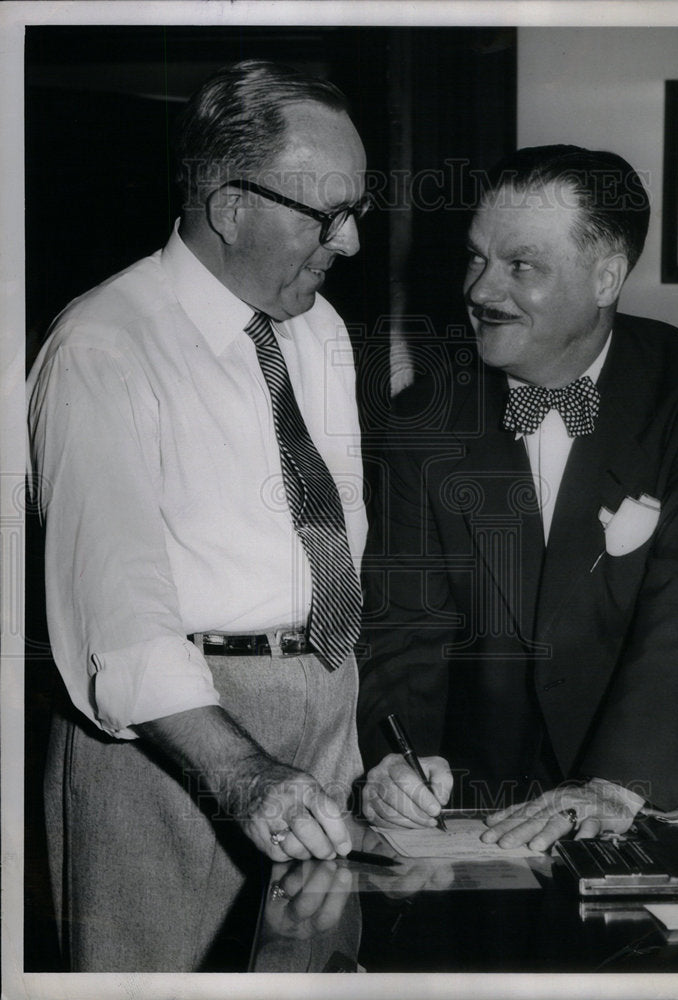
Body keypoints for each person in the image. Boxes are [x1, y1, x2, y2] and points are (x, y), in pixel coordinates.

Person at [27, 59, 371, 971]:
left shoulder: (320, 332)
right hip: (174, 746)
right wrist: (244, 772)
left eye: (356, 212)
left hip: (326, 720)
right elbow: (120, 625)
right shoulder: (102, 346)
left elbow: (331, 562)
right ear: (230, 207)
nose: (350, 243)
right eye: (326, 215)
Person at [358, 144, 678, 852]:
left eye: (521, 266)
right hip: (488, 811)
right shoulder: (422, 414)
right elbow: (403, 626)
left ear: (605, 276)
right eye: (477, 257)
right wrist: (400, 756)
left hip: (666, 791)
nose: (481, 291)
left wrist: (617, 782)